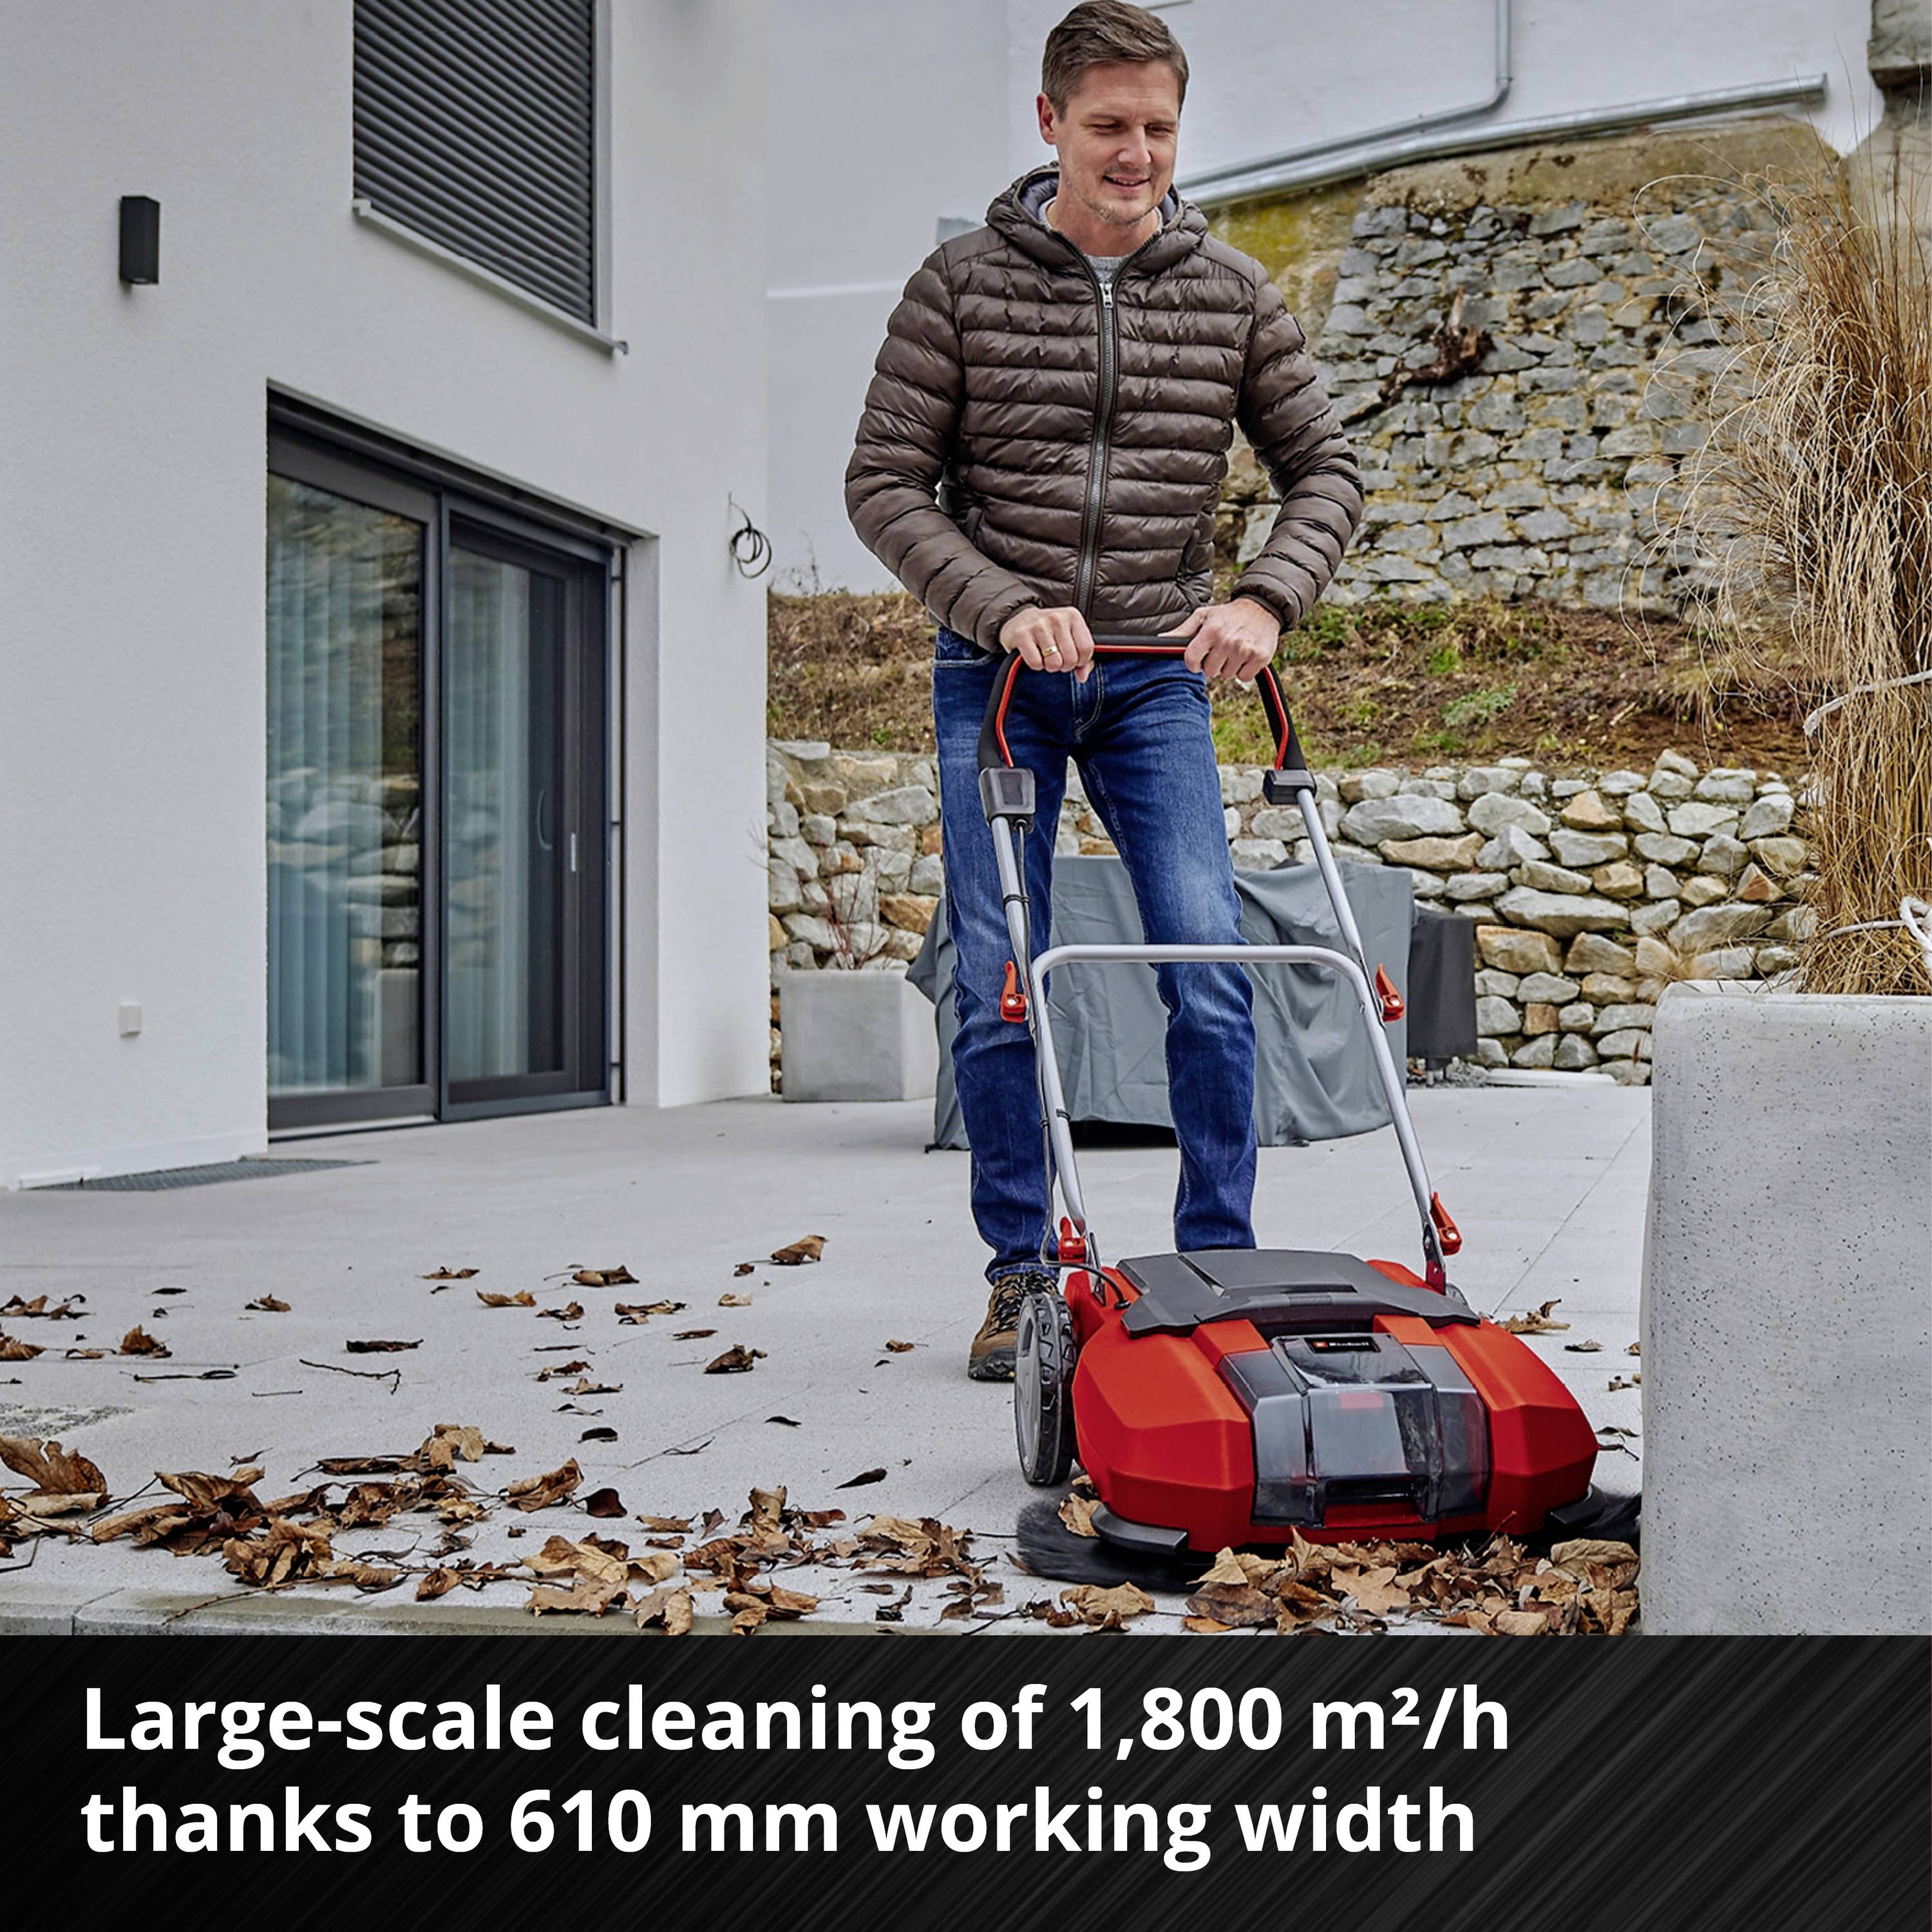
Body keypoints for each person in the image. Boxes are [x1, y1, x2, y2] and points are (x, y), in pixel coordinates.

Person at [845, 1, 1363, 1380]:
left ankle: (1220, 1263)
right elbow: (884, 486)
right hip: (999, 677)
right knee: (1001, 979)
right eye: (1108, 126)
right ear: (1050, 126)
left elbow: (1327, 474)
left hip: (1155, 685)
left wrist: (1262, 599)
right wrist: (1003, 606)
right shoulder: (957, 286)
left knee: (1206, 967)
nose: (1136, 155)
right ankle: (1022, 1277)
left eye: (1158, 129)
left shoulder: (1233, 295)